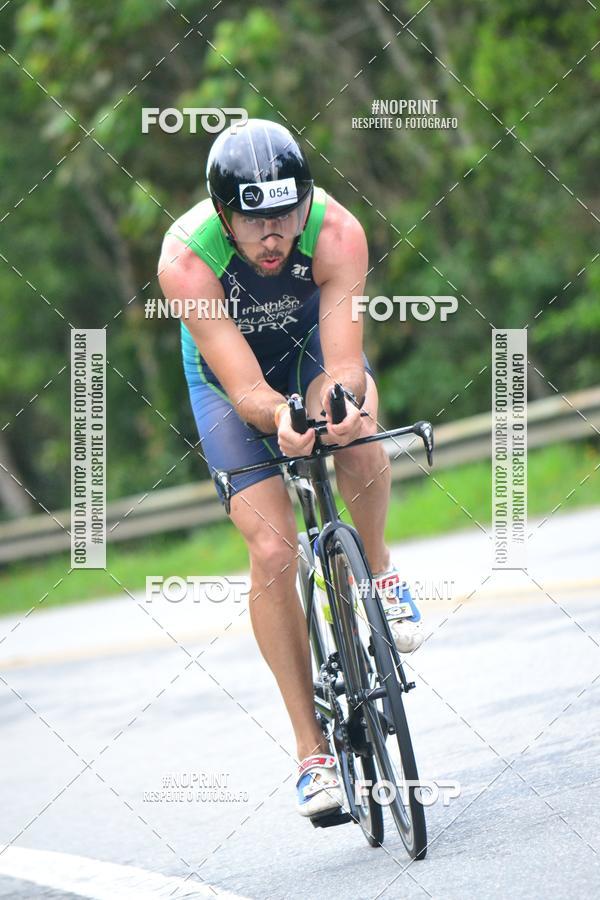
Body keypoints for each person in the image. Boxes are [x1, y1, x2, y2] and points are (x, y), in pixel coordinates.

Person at [158, 118, 423, 820]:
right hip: (229, 380)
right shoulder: (186, 262)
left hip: (307, 348)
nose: (274, 234)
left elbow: (341, 362)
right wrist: (277, 420)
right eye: (255, 220)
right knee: (274, 551)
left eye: (285, 213)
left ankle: (381, 569)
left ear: (305, 200)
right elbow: (245, 392)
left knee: (355, 426)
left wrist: (336, 404)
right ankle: (312, 755)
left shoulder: (337, 231)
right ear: (223, 215)